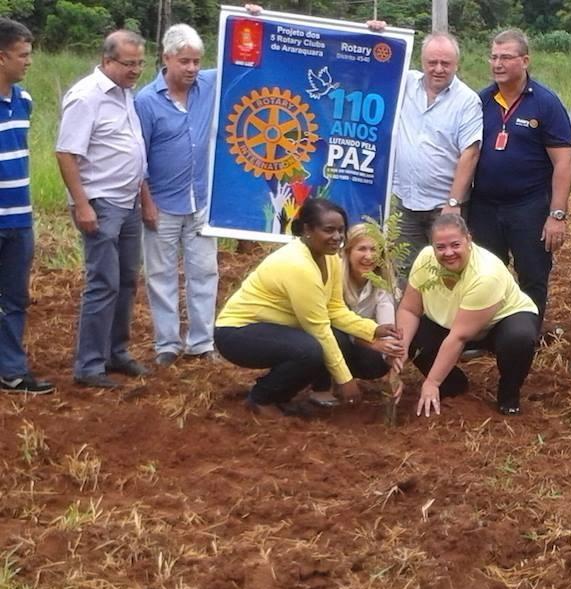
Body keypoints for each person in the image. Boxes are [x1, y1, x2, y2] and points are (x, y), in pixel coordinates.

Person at [214, 198, 403, 417]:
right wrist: (345, 379)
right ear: (307, 230)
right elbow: (319, 329)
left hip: (272, 327)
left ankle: (280, 397)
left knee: (329, 343)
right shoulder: (299, 265)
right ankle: (261, 398)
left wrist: (373, 330)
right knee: (310, 350)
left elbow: (335, 309)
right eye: (329, 230)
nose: (336, 237)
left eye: (341, 231)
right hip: (237, 332)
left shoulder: (330, 258)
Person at [56, 30, 149, 389]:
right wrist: (82, 204)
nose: (136, 70)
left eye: (141, 63)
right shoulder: (86, 97)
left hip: (127, 203)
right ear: (107, 60)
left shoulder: (125, 94)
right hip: (101, 202)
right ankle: (89, 365)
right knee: (103, 283)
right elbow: (66, 153)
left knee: (126, 281)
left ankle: (117, 352)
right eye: (129, 63)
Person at [467, 29, 571, 324]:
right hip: (484, 206)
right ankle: (490, 332)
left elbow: (564, 161)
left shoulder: (545, 103)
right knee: (487, 273)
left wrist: (557, 215)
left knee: (532, 274)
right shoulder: (481, 101)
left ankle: (528, 335)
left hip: (529, 206)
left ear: (525, 60)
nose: (498, 64)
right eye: (494, 57)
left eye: (506, 57)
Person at [393, 213, 539, 417]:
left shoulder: (486, 274)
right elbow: (409, 309)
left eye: (455, 245)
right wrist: (400, 353)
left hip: (499, 322)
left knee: (518, 339)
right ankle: (454, 385)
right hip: (452, 320)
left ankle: (509, 393)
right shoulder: (425, 260)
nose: (448, 252)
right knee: (417, 335)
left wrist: (431, 382)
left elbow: (459, 336)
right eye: (440, 247)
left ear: (468, 240)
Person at [134, 24, 219, 367]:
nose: (192, 68)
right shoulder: (145, 101)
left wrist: (250, 17)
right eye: (184, 61)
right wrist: (147, 201)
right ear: (166, 58)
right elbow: (138, 156)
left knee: (204, 272)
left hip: (200, 202)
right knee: (161, 275)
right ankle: (167, 344)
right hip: (162, 203)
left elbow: (246, 60)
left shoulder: (209, 86)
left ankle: (202, 342)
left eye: (197, 61)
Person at [391, 32, 483, 280]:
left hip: (441, 206)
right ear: (422, 62)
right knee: (405, 272)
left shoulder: (467, 101)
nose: (439, 69)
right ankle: (409, 319)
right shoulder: (405, 83)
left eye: (446, 63)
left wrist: (453, 203)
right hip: (405, 202)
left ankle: (444, 321)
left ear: (457, 64)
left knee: (447, 272)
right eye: (432, 62)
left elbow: (470, 153)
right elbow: (373, 62)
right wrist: (376, 31)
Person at [0, 19, 53, 395]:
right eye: (23, 55)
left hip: (20, 217)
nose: (28, 62)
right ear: (2, 57)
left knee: (15, 297)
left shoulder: (25, 101)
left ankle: (11, 370)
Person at [308, 223, 397, 407]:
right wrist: (373, 342)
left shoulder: (383, 281)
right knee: (332, 334)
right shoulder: (334, 276)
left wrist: (393, 358)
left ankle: (345, 377)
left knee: (375, 362)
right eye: (362, 249)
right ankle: (321, 387)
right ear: (347, 252)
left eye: (374, 249)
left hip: (360, 344)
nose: (369, 256)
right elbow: (327, 322)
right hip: (334, 337)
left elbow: (387, 325)